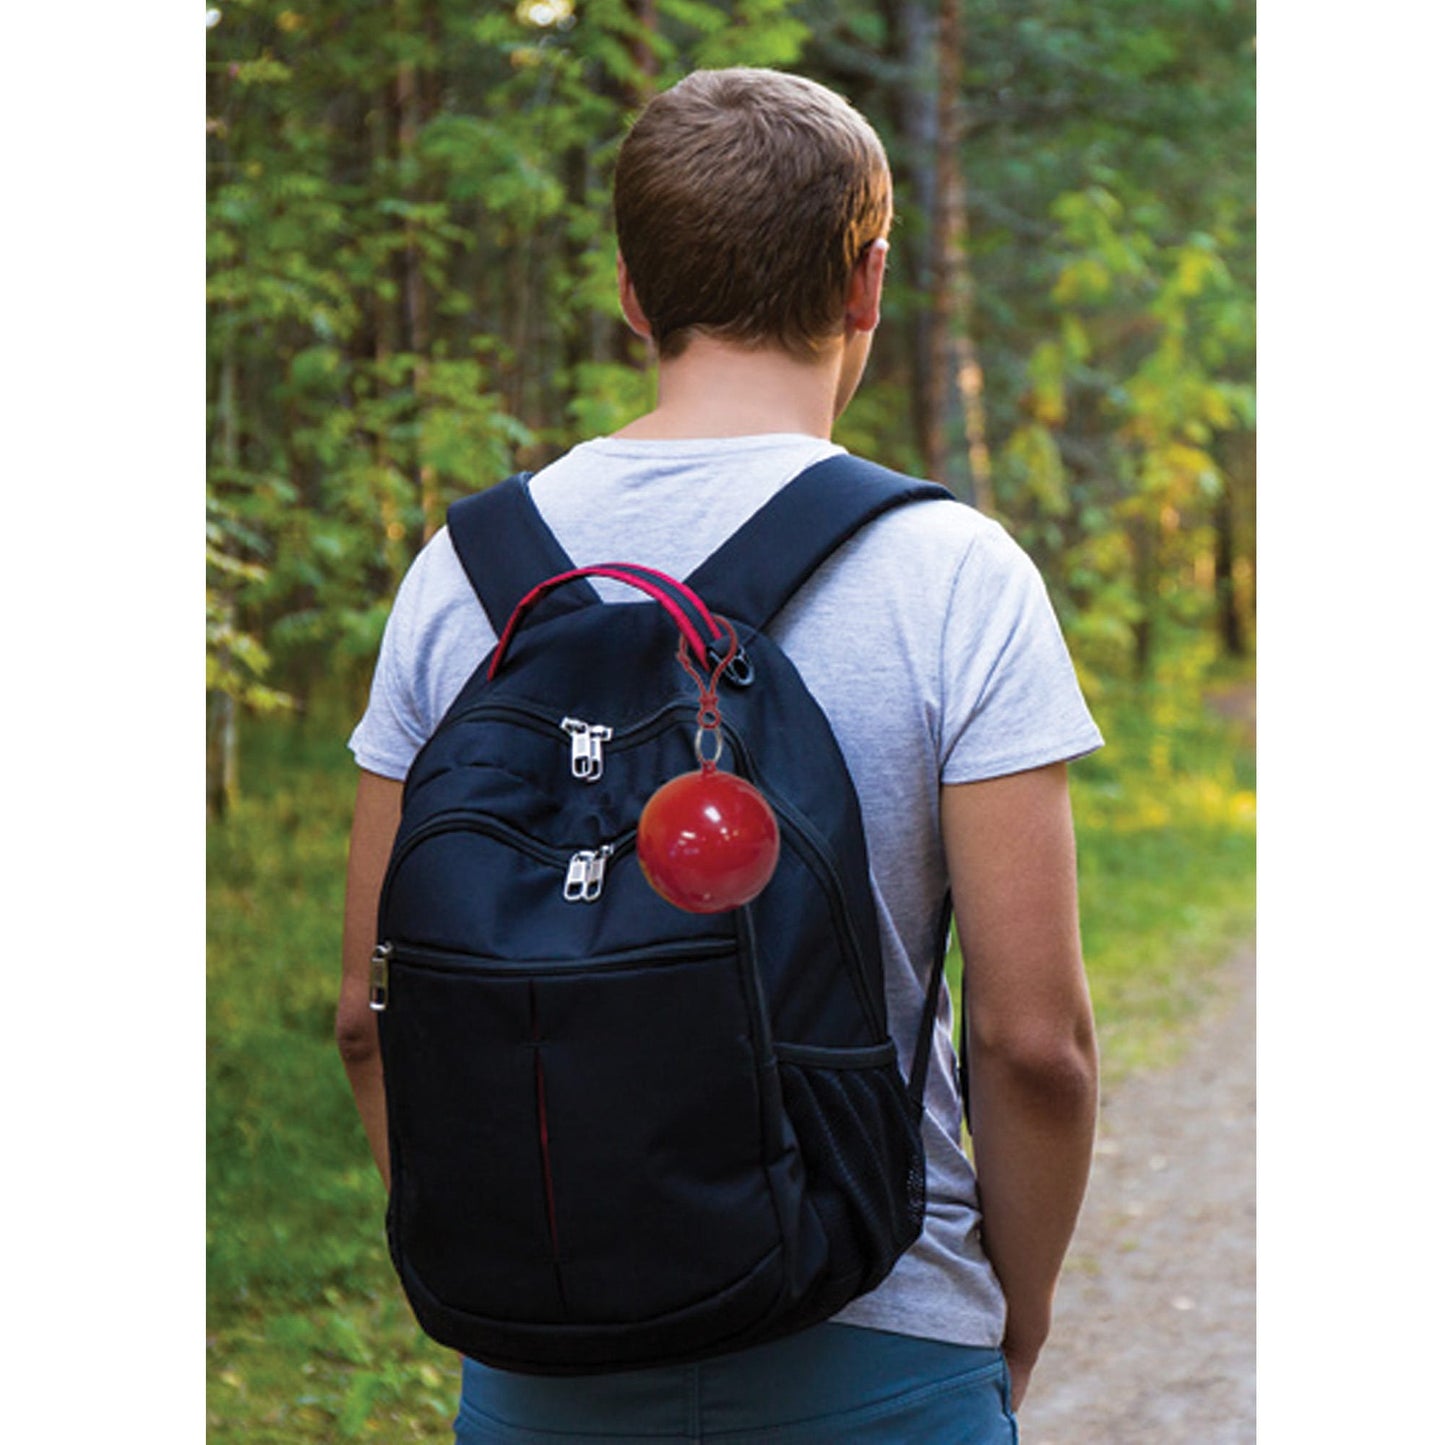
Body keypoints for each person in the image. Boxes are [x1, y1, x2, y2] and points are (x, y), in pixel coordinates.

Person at [338, 66, 1102, 1444]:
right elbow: (1030, 1040)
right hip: (880, 1330)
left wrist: (507, 1272)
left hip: (537, 1371)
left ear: (632, 293)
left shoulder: (458, 579)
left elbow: (368, 1016)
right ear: (867, 281)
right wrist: (1013, 1314)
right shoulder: (950, 573)